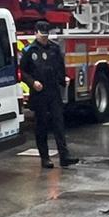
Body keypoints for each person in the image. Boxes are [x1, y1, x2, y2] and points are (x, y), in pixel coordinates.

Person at [21, 20, 76, 169]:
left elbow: (59, 67)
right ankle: (45, 158)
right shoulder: (29, 51)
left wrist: (63, 79)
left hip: (53, 91)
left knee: (59, 122)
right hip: (39, 93)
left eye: (46, 36)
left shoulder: (54, 48)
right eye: (42, 36)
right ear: (35, 33)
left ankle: (64, 156)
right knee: (42, 125)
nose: (44, 39)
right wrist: (32, 83)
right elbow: (23, 72)